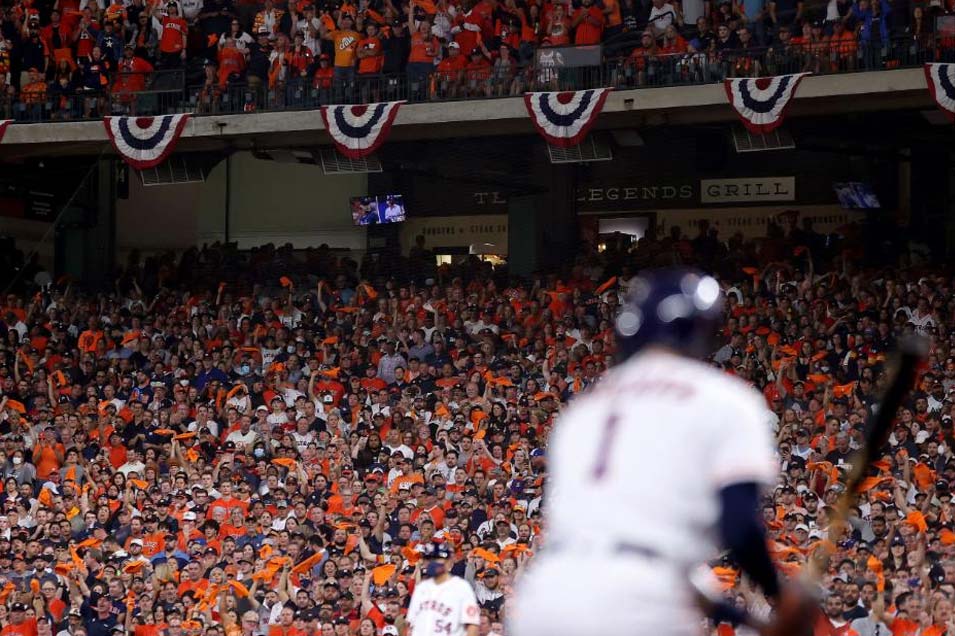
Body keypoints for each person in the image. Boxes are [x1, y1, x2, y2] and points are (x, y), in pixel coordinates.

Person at [509, 268, 811, 636]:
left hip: (547, 594)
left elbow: (655, 567)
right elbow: (739, 525)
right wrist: (780, 595)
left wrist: (753, 622)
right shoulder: (722, 398)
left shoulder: (583, 410)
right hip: (640, 601)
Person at [407, 543, 479, 636]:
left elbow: (472, 625)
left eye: (437, 558)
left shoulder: (461, 587)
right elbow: (411, 624)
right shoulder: (421, 588)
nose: (433, 562)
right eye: (429, 559)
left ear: (448, 561)